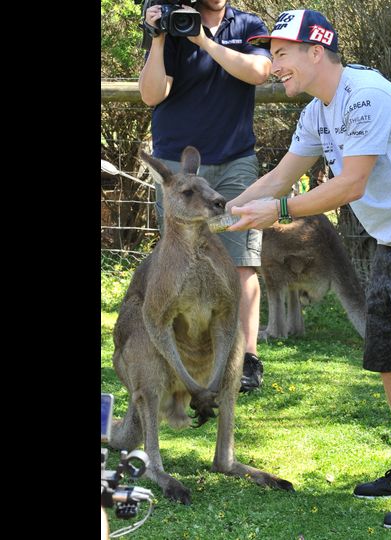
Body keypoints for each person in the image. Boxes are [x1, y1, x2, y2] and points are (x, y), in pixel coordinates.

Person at [226, 9, 391, 529]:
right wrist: (223, 211)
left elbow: (351, 184)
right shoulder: (318, 111)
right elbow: (279, 175)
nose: (275, 66)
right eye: (272, 56)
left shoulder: (366, 96)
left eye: (282, 54)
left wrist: (284, 210)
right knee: (389, 360)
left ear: (316, 51)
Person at [138, 0, 271, 393]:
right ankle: (185, 355)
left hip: (234, 164)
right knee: (178, 259)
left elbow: (260, 72)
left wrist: (204, 40)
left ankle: (246, 360)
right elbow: (151, 94)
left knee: (241, 260)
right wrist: (159, 38)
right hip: (179, 171)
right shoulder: (173, 26)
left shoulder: (248, 24)